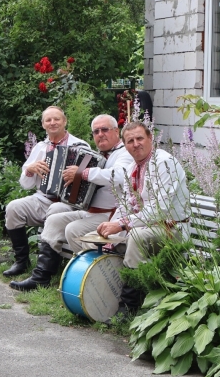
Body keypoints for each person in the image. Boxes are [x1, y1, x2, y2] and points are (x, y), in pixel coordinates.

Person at [9, 114, 133, 291]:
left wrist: (83, 173)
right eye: (96, 131)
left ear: (116, 131)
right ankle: (41, 276)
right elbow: (26, 183)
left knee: (71, 228)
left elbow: (119, 175)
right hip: (90, 211)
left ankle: (92, 277)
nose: (100, 134)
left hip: (111, 215)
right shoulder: (98, 155)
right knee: (54, 220)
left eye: (105, 130)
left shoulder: (124, 154)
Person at [95, 121, 190, 315]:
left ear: (150, 139)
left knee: (136, 237)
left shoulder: (163, 162)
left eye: (140, 138)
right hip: (146, 226)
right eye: (130, 141)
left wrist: (121, 225)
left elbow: (160, 209)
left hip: (172, 230)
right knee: (98, 237)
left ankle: (130, 308)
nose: (135, 144)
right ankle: (101, 298)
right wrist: (111, 225)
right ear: (125, 145)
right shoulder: (133, 167)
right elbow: (126, 204)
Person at [2, 106, 87, 277]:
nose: (52, 122)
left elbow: (87, 181)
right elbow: (26, 184)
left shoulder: (80, 145)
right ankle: (21, 261)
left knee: (56, 211)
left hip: (67, 203)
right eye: (48, 120)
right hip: (42, 198)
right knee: (13, 207)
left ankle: (47, 269)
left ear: (65, 121)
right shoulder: (40, 147)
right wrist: (29, 169)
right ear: (43, 125)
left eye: (56, 119)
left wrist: (77, 173)